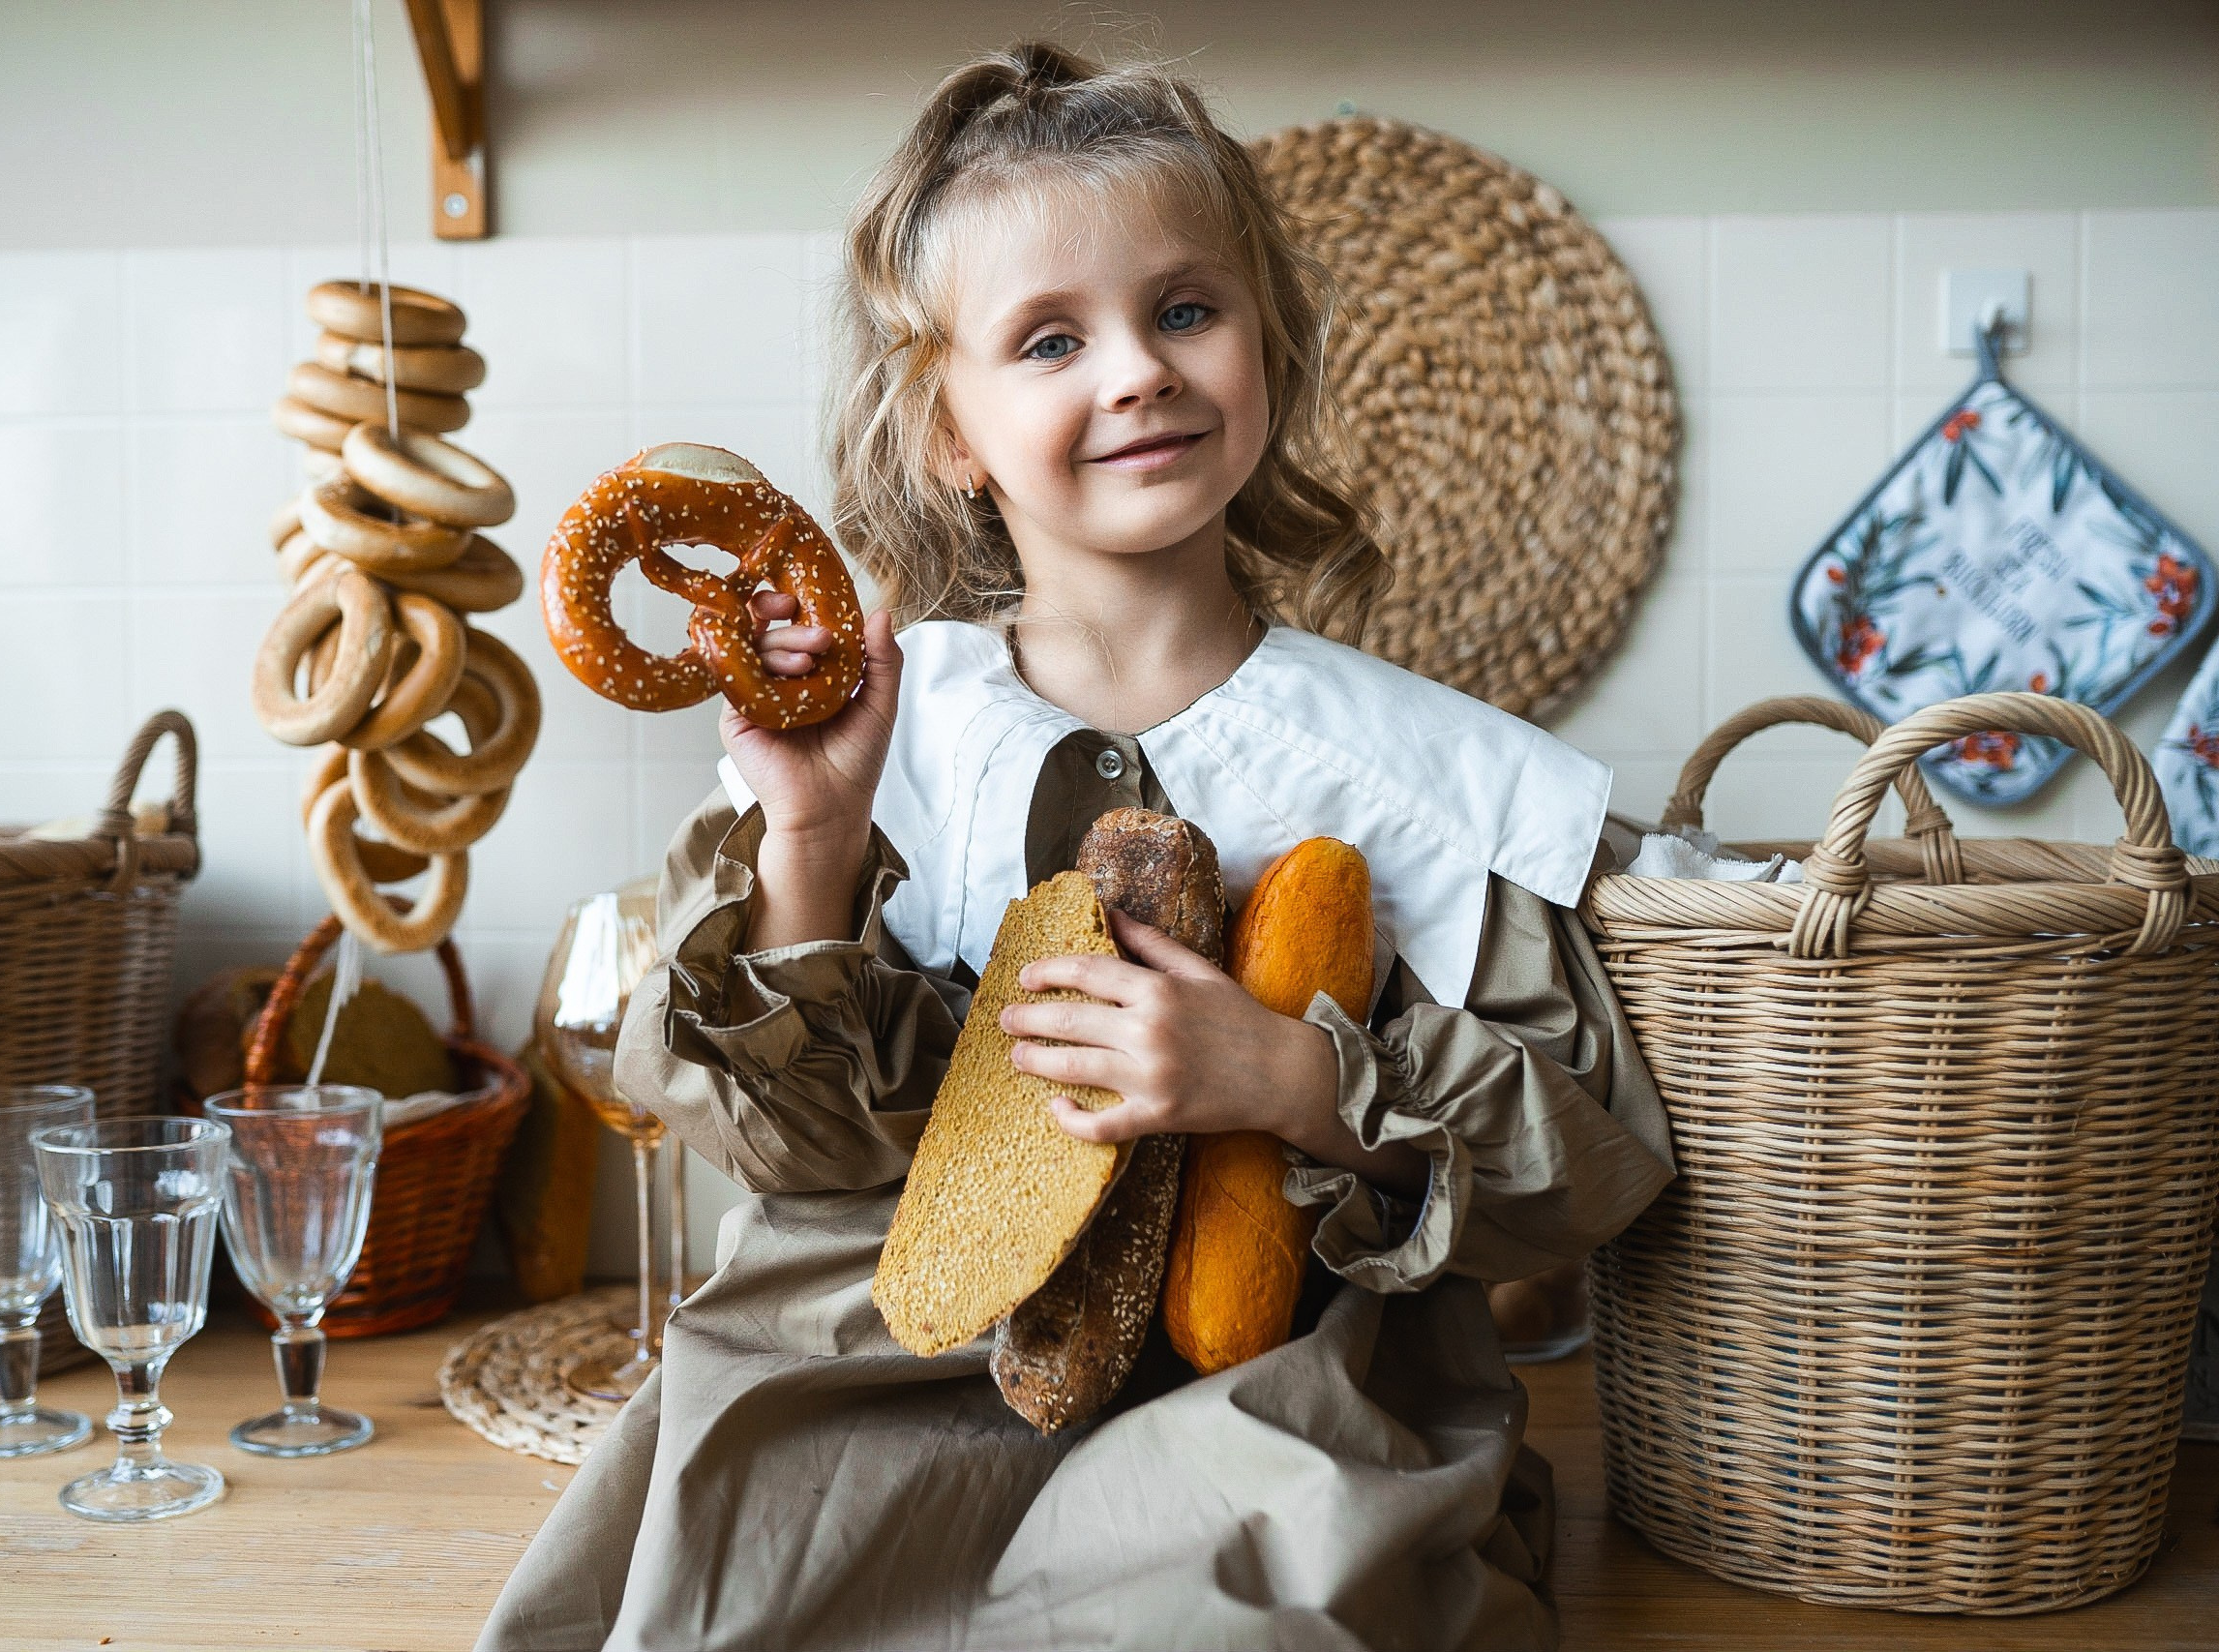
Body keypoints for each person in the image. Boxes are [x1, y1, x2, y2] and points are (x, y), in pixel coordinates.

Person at [480, 40, 1673, 1652]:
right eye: (1051, 339)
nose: (1138, 372)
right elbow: (784, 1150)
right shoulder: (884, 734)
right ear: (949, 429)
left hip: (1268, 1387)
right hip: (892, 1356)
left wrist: (1290, 1080)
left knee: (1246, 1614)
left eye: (1185, 310)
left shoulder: (1419, 774)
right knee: (746, 1590)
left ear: (1268, 347)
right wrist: (815, 831)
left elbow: (1587, 1170)